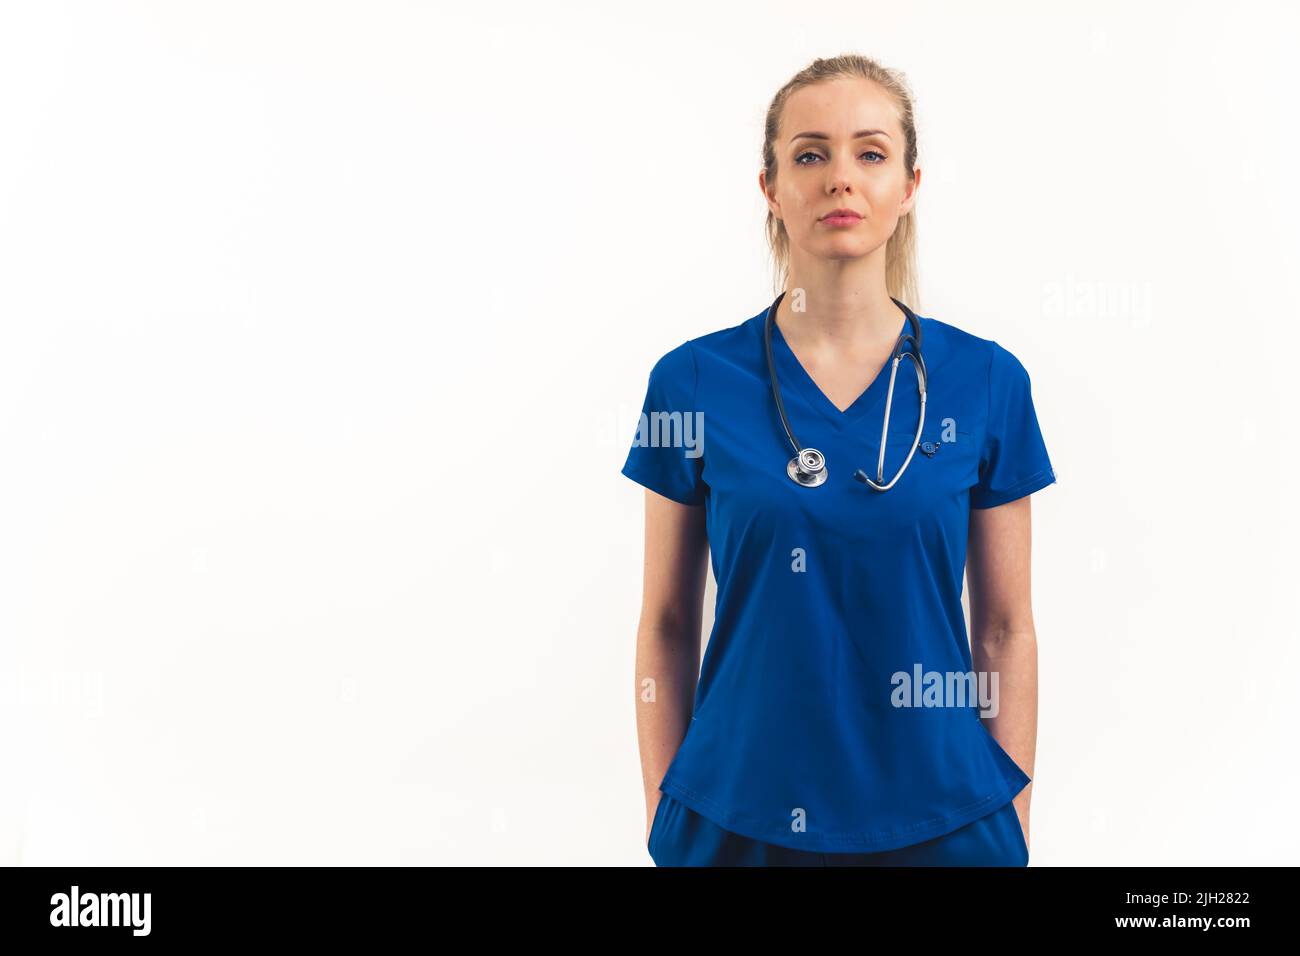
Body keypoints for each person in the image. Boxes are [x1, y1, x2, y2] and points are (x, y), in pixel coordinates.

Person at [623, 54, 1056, 866]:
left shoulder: (988, 382)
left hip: (946, 820)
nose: (840, 180)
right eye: (810, 154)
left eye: (871, 152)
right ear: (771, 188)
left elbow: (1004, 628)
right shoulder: (688, 383)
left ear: (910, 185)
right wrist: (664, 814)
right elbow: (668, 623)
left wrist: (1014, 815)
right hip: (734, 821)